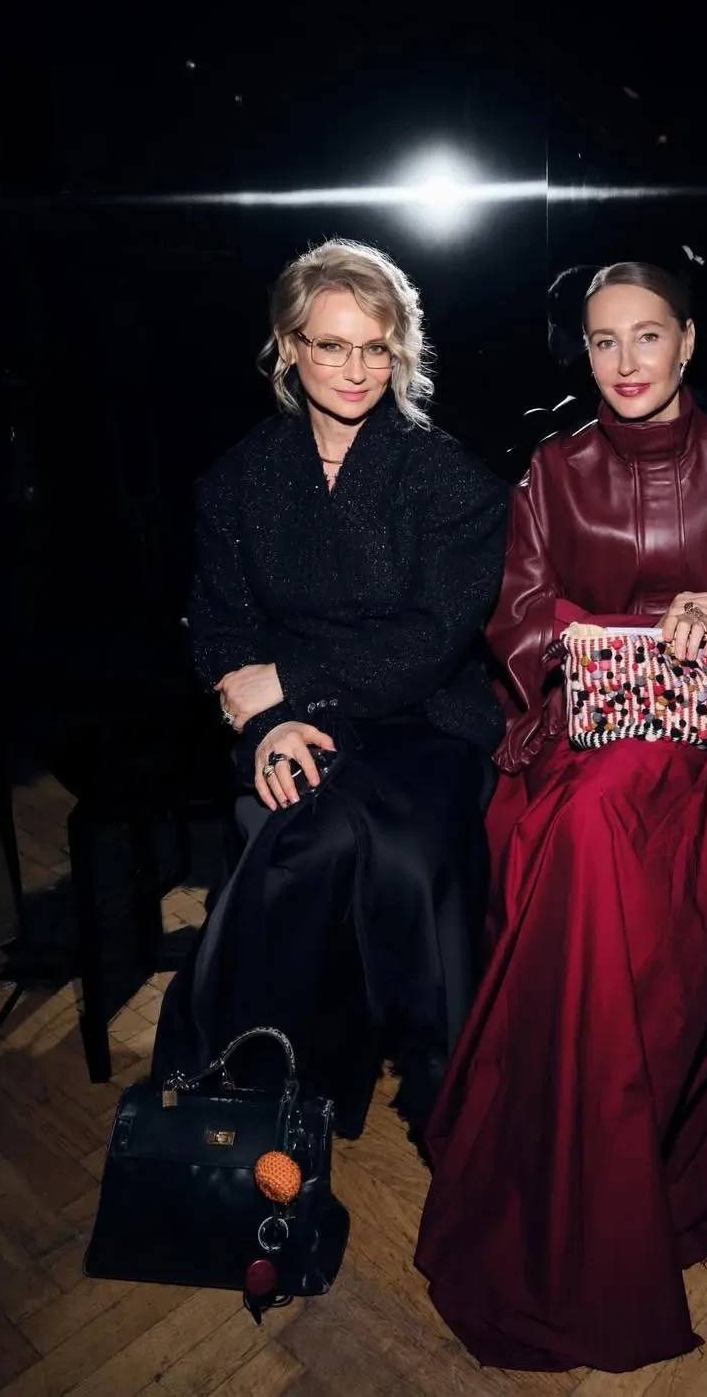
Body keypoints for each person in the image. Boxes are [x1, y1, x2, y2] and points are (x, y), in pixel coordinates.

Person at [415, 261, 707, 1372]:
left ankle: (593, 1146)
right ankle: (572, 1147)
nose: (624, 361)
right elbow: (514, 607)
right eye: (603, 340)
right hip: (581, 725)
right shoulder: (554, 469)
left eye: (647, 335)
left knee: (595, 831)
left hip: (700, 743)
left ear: (688, 341)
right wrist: (578, 630)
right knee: (577, 827)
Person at [151, 240, 508, 1140]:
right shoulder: (239, 479)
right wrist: (268, 723)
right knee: (302, 843)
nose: (356, 370)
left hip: (425, 722)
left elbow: (431, 642)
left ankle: (450, 1097)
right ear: (288, 347)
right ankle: (258, 1099)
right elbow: (221, 630)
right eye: (331, 345)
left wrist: (291, 674)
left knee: (408, 855)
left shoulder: (451, 479)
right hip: (298, 725)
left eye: (376, 347)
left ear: (401, 351)